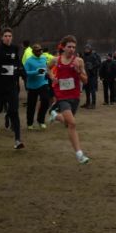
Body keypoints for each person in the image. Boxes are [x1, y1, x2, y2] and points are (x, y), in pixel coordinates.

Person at [50, 35, 91, 163]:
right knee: (72, 123)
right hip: (62, 96)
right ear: (63, 47)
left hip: (75, 96)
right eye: (69, 47)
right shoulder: (56, 60)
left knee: (68, 123)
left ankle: (55, 115)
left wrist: (78, 71)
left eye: (74, 47)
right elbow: (47, 68)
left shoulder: (79, 61)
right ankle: (79, 154)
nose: (72, 49)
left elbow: (85, 80)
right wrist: (52, 77)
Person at [0, 27, 25, 150]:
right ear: (2, 37)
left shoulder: (15, 48)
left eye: (10, 36)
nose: (8, 38)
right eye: (6, 36)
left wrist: (22, 72)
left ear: (12, 37)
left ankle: (18, 140)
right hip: (0, 85)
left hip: (12, 85)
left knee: (14, 110)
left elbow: (18, 62)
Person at [24, 43, 53, 129]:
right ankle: (30, 123)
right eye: (38, 51)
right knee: (31, 105)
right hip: (32, 85)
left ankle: (41, 120)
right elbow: (25, 73)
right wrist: (36, 72)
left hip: (43, 83)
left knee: (45, 100)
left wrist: (47, 73)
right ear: (33, 52)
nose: (40, 52)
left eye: (41, 50)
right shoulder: (29, 61)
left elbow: (47, 67)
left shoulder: (44, 58)